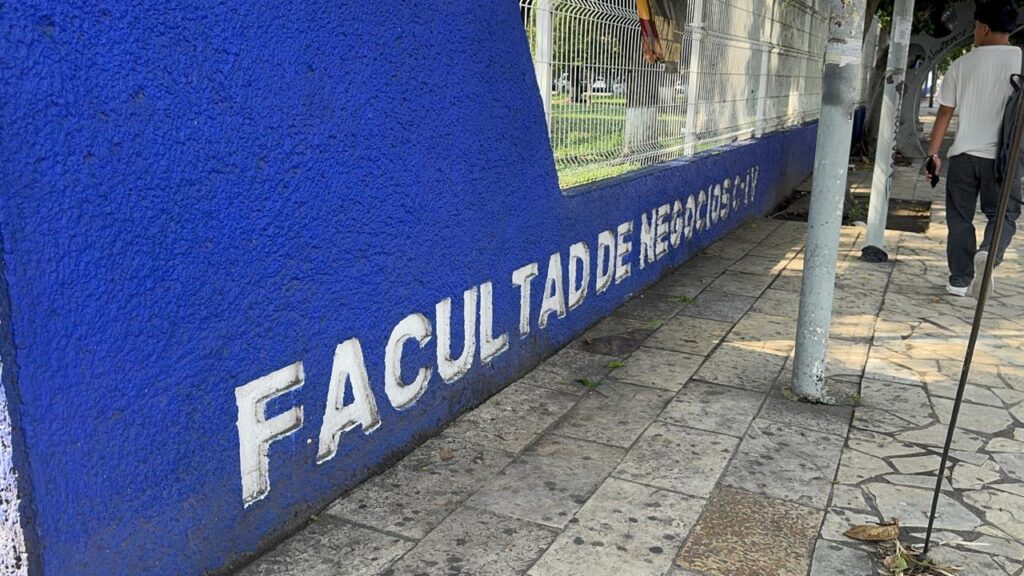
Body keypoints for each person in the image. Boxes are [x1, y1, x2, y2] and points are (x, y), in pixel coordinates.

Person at [926, 0, 1022, 298]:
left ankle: (959, 280)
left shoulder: (961, 64)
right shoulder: (1021, 61)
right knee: (1004, 213)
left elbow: (945, 113)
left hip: (963, 157)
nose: (974, 33)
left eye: (975, 27)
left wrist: (933, 155)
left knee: (959, 218)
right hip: (1003, 160)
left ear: (985, 28)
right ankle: (989, 254)